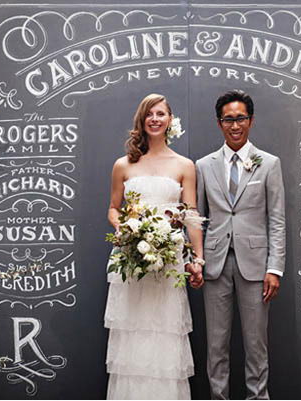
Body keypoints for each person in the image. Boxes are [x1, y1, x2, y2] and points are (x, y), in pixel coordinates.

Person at [104, 93, 204, 399]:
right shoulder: (123, 164)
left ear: (170, 120)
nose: (155, 119)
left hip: (169, 258)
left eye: (161, 113)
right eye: (150, 114)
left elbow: (191, 215)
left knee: (165, 333)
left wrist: (198, 259)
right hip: (131, 259)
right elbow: (112, 208)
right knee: (133, 334)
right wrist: (124, 229)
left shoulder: (184, 165)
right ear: (142, 120)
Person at [196, 90, 286, 399]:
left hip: (257, 267)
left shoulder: (269, 164)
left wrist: (274, 268)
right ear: (219, 123)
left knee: (256, 345)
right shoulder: (203, 165)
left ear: (251, 120)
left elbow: (277, 220)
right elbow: (197, 219)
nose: (235, 125)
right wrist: (195, 259)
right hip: (215, 264)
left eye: (241, 118)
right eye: (228, 119)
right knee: (216, 345)